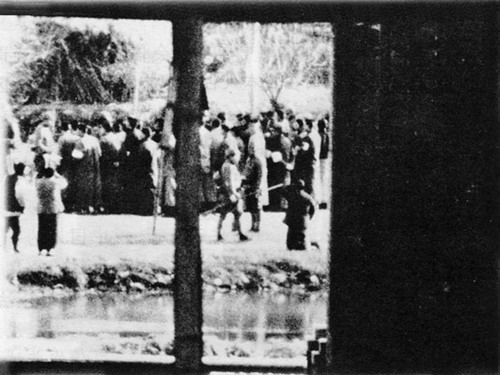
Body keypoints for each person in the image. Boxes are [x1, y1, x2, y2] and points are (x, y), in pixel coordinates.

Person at [217, 148, 249, 242]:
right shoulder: (227, 166)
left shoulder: (229, 165)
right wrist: (232, 194)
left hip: (232, 193)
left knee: (236, 213)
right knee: (224, 214)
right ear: (230, 156)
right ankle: (219, 233)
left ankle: (239, 233)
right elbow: (228, 182)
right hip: (229, 194)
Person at [35, 167, 67, 256]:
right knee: (51, 229)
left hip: (41, 208)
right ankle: (50, 248)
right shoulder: (55, 183)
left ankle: (42, 248)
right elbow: (64, 184)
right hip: (52, 208)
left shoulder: (39, 183)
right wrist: (58, 175)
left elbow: (35, 181)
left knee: (42, 229)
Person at [283, 179, 316, 251]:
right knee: (303, 237)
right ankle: (304, 247)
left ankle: (292, 247)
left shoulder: (291, 196)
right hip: (303, 220)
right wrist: (308, 217)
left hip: (292, 220)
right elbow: (313, 209)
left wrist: (288, 186)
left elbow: (283, 191)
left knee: (291, 237)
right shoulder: (308, 197)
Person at [4, 163, 27, 253]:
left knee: (5, 228)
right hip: (14, 208)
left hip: (5, 206)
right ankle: (14, 247)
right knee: (16, 230)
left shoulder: (8, 178)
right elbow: (19, 195)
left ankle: (3, 246)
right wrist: (22, 206)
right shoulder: (20, 180)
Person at [244, 143, 263, 232]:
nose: (251, 150)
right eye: (249, 148)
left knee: (256, 207)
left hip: (254, 186)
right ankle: (252, 224)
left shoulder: (257, 161)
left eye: (252, 149)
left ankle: (257, 224)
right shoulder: (248, 160)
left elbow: (259, 175)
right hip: (248, 186)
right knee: (251, 207)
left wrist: (257, 187)